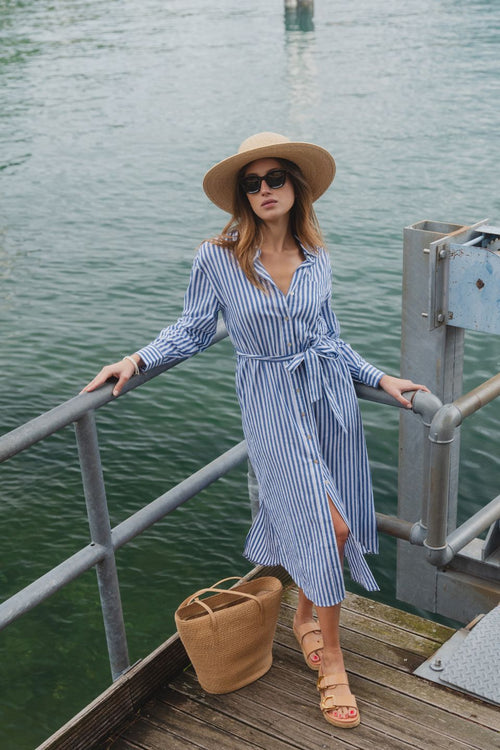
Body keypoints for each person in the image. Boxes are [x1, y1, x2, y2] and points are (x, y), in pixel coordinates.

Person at [83, 132, 428, 729]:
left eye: (276, 179)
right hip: (269, 402)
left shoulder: (317, 257)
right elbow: (193, 329)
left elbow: (330, 338)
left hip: (324, 400)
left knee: (332, 521)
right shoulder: (217, 257)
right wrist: (135, 360)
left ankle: (303, 618)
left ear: (296, 188)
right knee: (332, 523)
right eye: (253, 183)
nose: (265, 190)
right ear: (243, 195)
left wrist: (380, 378)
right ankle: (334, 661)